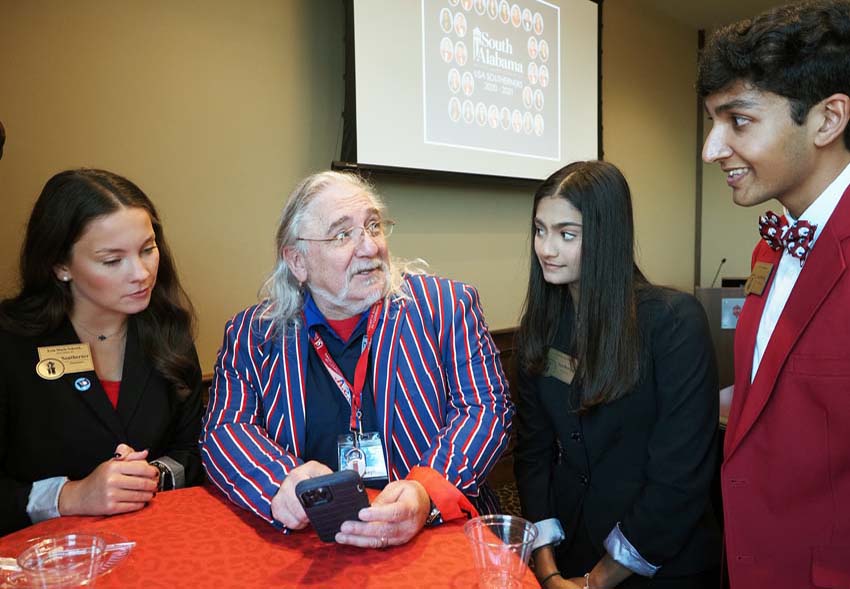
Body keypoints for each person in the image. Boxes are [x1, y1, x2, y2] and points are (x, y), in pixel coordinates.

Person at [201, 170, 512, 549]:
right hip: (314, 546)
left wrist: (426, 492)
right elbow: (224, 428)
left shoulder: (446, 308)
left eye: (373, 226)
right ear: (297, 260)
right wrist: (280, 481)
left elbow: (486, 409)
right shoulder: (252, 335)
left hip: (433, 537)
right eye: (342, 234)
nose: (369, 247)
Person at [698, 1, 850, 586]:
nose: (712, 149)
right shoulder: (770, 247)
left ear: (826, 119)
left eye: (738, 121)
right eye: (713, 123)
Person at [514, 161, 721, 588]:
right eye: (540, 230)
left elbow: (680, 475)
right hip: (569, 550)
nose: (546, 249)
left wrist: (599, 580)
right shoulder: (543, 326)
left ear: (608, 236)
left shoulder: (672, 322)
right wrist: (548, 567)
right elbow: (533, 454)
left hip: (660, 559)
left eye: (566, 234)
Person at [0, 169, 203, 535]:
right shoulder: (9, 343)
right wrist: (70, 496)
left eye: (147, 249)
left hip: (153, 545)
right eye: (112, 260)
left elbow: (191, 451)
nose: (141, 273)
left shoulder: (169, 333)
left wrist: (150, 477)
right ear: (60, 265)